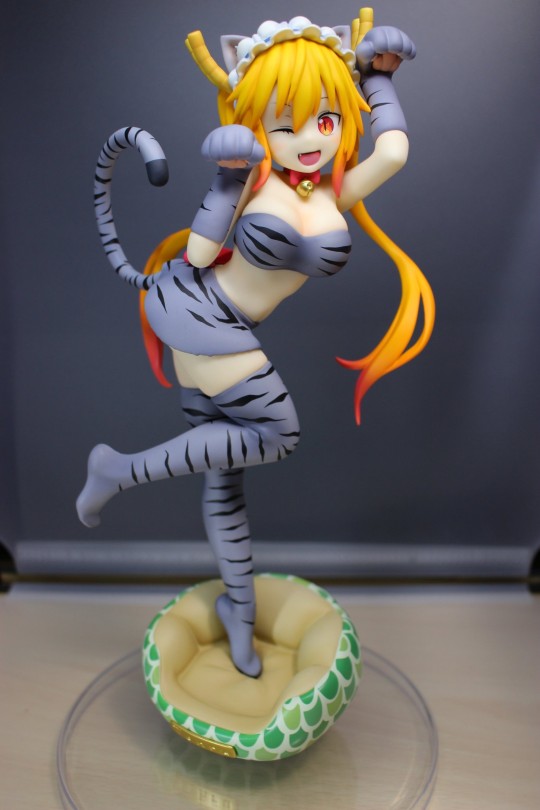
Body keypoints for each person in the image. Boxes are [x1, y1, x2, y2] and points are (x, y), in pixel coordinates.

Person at [77, 15, 434, 677]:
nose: (310, 139)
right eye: (287, 125)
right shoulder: (254, 179)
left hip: (226, 332)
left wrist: (379, 82)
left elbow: (393, 153)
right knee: (277, 432)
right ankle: (118, 471)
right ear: (258, 123)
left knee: (226, 485)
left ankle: (237, 614)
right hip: (201, 314)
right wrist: (226, 180)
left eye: (325, 120)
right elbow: (201, 253)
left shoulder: (332, 189)